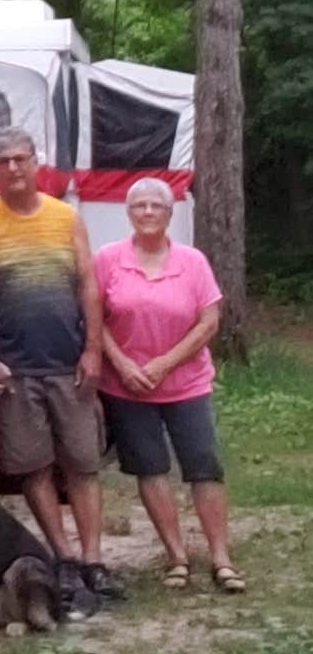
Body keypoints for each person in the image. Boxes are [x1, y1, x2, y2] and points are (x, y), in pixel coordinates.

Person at [0, 126, 118, 602]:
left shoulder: (66, 217)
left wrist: (93, 349)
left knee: (82, 463)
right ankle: (64, 558)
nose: (14, 167)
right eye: (4, 160)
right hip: (16, 368)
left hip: (69, 362)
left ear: (36, 163)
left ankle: (94, 560)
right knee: (33, 467)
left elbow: (89, 286)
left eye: (21, 159)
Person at [95, 178, 243, 592]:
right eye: (138, 206)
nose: (146, 212)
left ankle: (220, 557)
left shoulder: (193, 262)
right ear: (128, 213)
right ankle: (176, 556)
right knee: (150, 468)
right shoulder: (107, 259)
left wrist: (163, 363)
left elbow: (208, 321)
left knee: (204, 467)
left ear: (168, 213)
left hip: (187, 383)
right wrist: (123, 364)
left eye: (155, 206)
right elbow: (95, 321)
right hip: (127, 386)